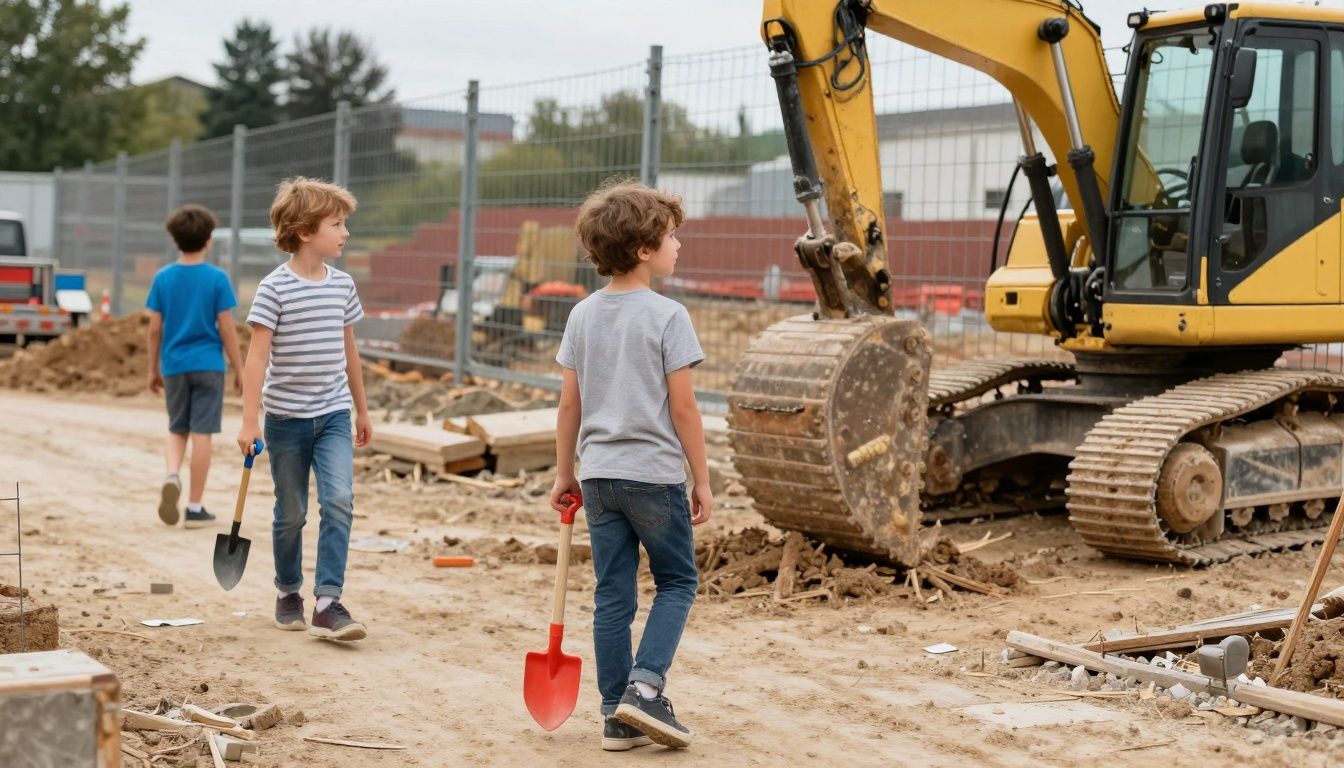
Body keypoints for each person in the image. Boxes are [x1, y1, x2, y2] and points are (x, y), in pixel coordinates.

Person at [550, 179, 712, 751]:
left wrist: (564, 471)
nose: (678, 246)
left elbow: (570, 403)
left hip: (597, 476)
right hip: (653, 475)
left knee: (612, 594)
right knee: (677, 582)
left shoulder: (581, 316)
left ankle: (615, 717)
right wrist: (703, 478)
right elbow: (685, 407)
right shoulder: (669, 316)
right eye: (671, 237)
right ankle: (645, 688)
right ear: (643, 249)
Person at [236, 177, 372, 641]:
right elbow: (257, 357)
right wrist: (248, 419)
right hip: (286, 419)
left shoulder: (343, 286)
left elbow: (350, 351)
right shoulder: (275, 289)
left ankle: (328, 601)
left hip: (333, 414)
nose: (345, 233)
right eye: (337, 224)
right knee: (291, 510)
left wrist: (362, 409)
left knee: (338, 500)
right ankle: (288, 591)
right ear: (305, 231)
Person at [146, 204, 243, 529]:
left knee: (177, 428)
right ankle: (195, 507)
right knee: (203, 432)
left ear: (175, 239)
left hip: (174, 365)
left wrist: (152, 369)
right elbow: (227, 328)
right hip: (208, 365)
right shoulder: (217, 278)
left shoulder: (163, 278)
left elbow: (154, 328)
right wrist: (240, 369)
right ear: (208, 240)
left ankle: (172, 475)